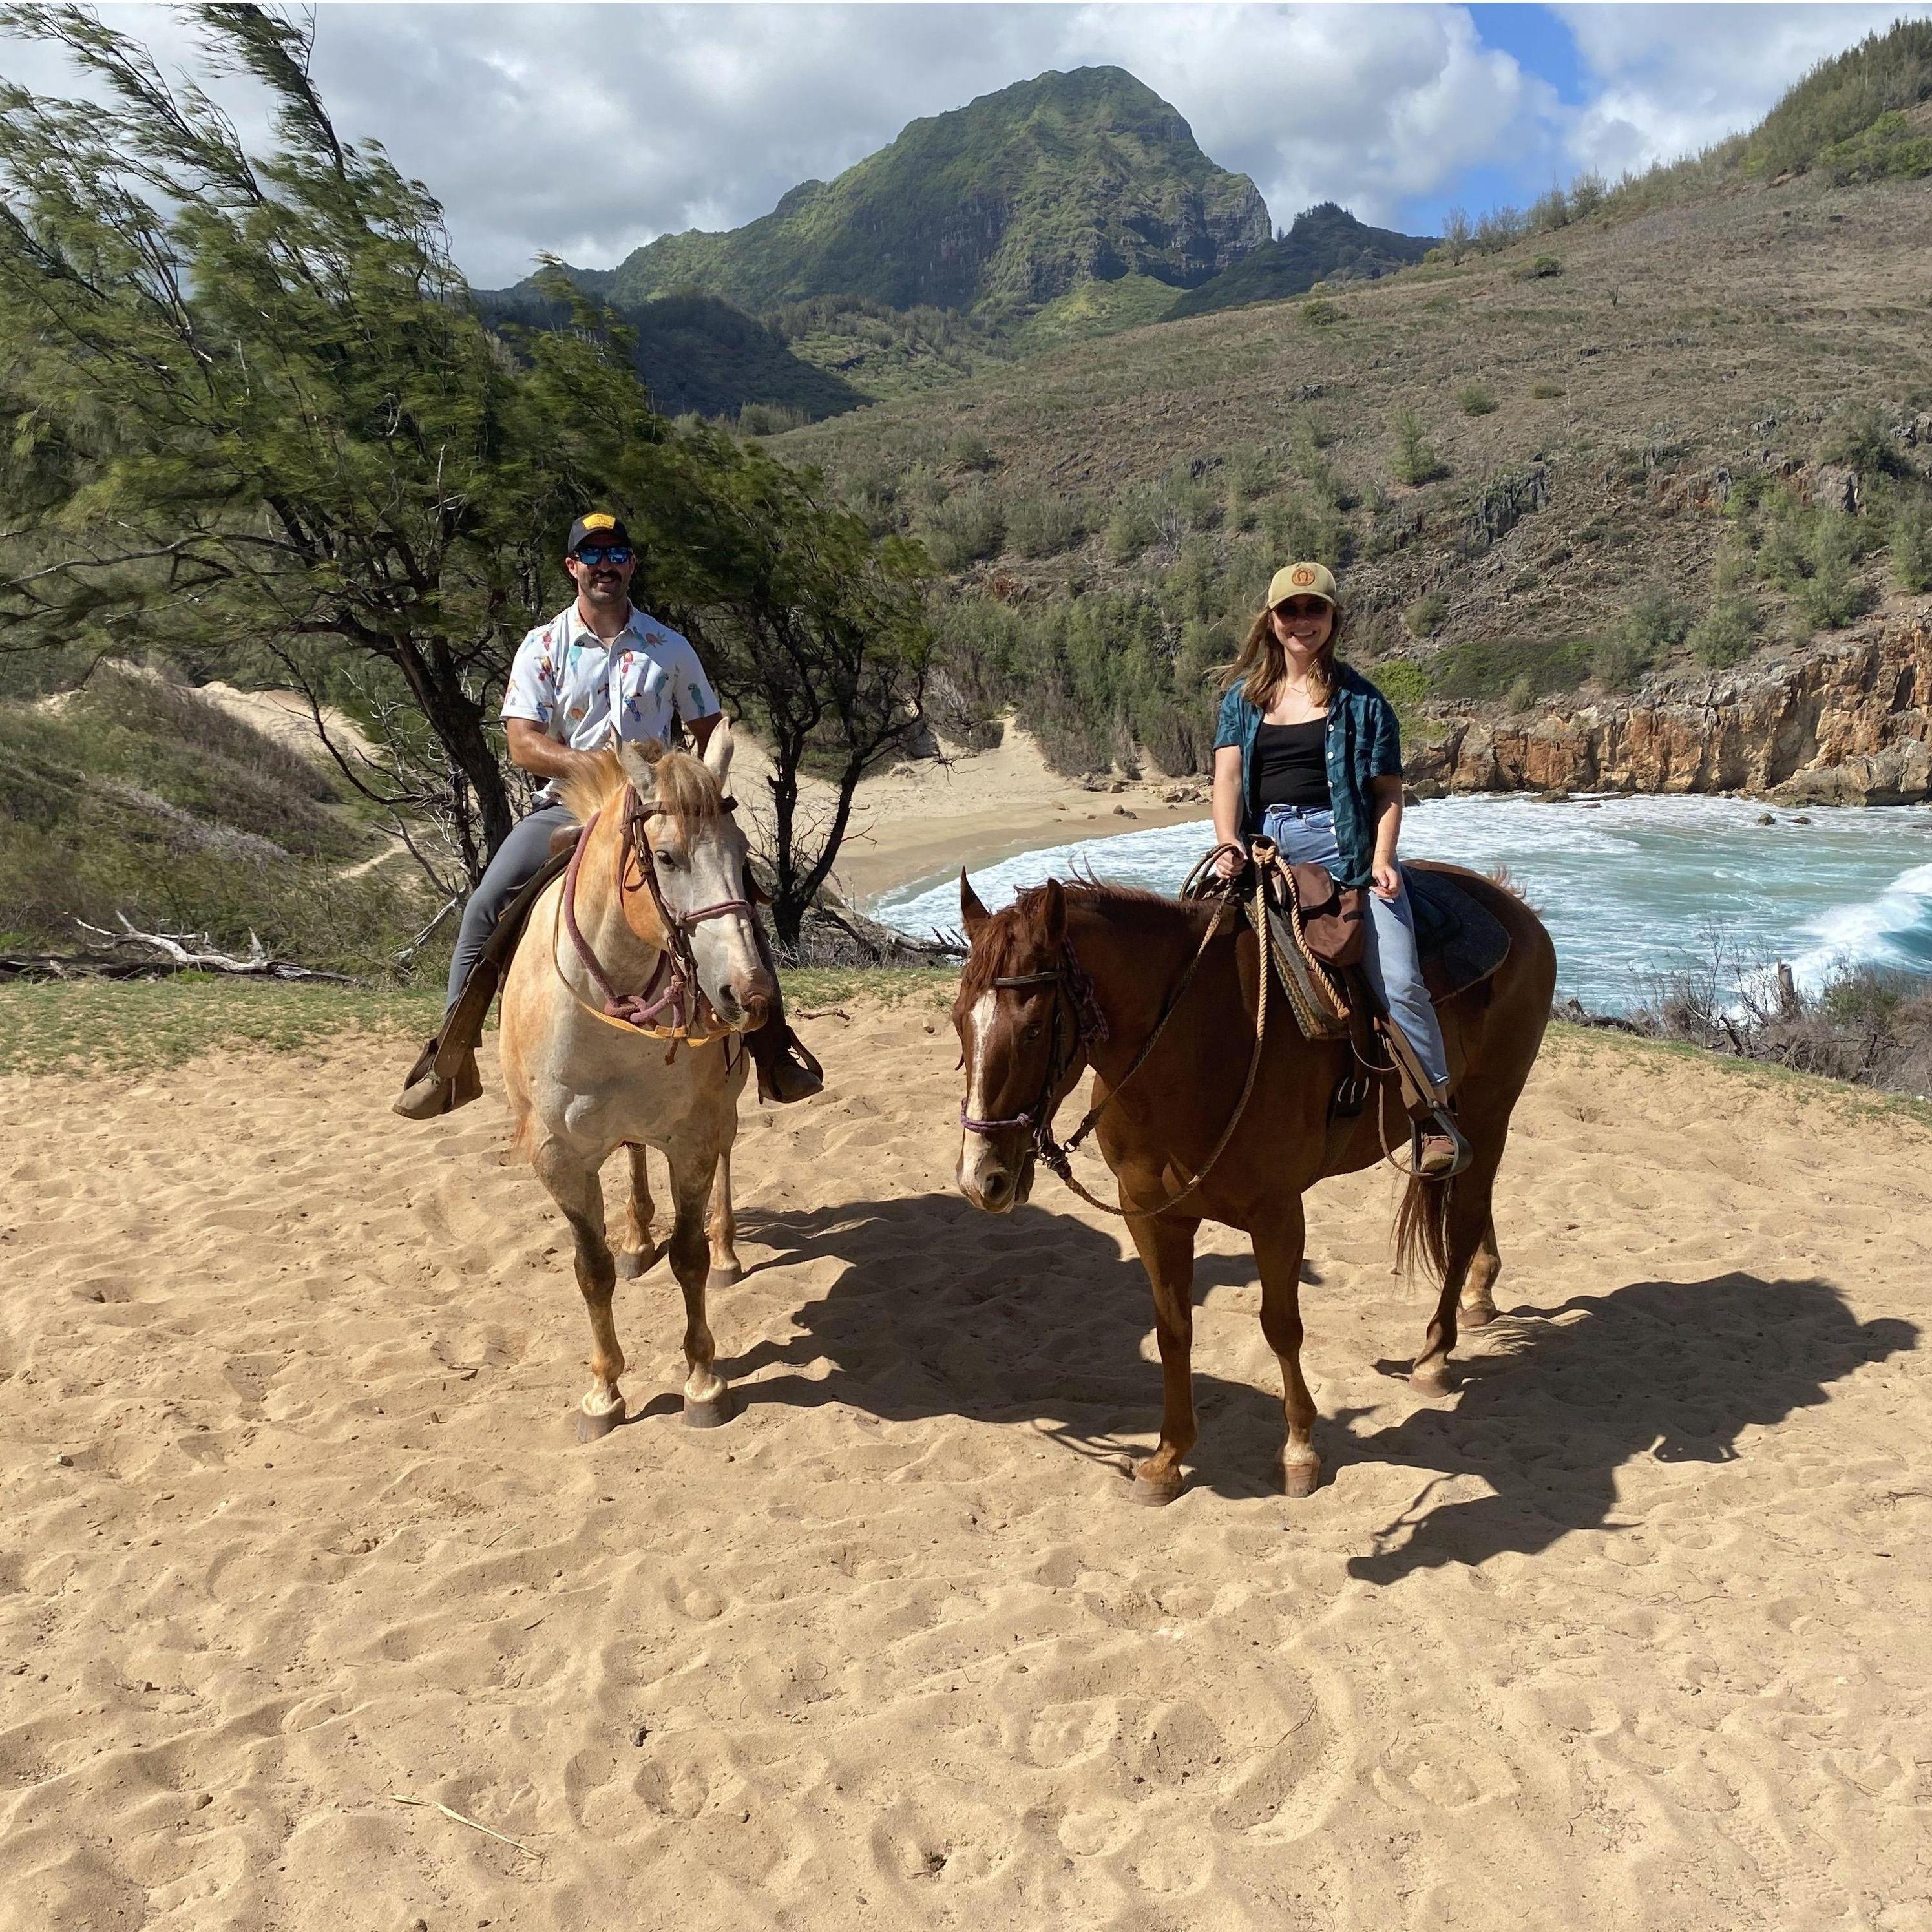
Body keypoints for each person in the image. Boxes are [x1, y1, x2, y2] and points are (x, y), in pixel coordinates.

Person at [393, 510, 823, 1118]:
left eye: (616, 555)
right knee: (486, 906)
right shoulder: (543, 646)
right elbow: (522, 740)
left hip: (656, 812)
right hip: (568, 808)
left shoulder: (668, 648)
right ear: (573, 567)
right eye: (592, 557)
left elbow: (710, 725)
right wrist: (594, 768)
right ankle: (450, 1060)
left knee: (735, 900)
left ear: (631, 566)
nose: (605, 567)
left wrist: (702, 775)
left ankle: (772, 1047)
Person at [1210, 561, 1465, 1176]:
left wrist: (1381, 861)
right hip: (1264, 847)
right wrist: (1226, 843)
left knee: (1398, 978)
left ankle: (1432, 1116)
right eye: (1290, 611)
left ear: (1332, 618)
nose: (1303, 622)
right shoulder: (1242, 703)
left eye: (1314, 610)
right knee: (1194, 959)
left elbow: (1387, 793)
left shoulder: (1364, 703)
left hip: (1344, 848)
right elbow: (1228, 778)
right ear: (1271, 622)